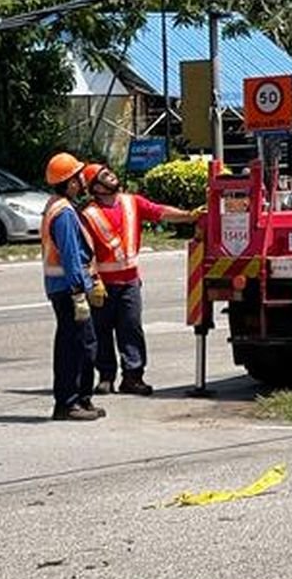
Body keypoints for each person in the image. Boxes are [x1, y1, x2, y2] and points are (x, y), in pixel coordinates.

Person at [79, 164, 200, 396]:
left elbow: (160, 212)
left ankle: (133, 377)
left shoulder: (130, 202)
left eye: (110, 172)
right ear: (96, 187)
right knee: (101, 331)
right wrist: (93, 280)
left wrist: (188, 216)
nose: (111, 176)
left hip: (130, 282)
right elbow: (86, 251)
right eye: (104, 175)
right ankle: (106, 377)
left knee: (131, 329)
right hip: (102, 285)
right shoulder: (89, 214)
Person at [41, 153, 104, 421]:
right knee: (79, 345)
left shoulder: (57, 205)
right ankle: (68, 403)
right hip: (69, 289)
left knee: (80, 343)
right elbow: (70, 255)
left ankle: (81, 398)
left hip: (65, 287)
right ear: (70, 182)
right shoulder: (64, 212)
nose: (82, 180)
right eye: (78, 176)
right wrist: (80, 290)